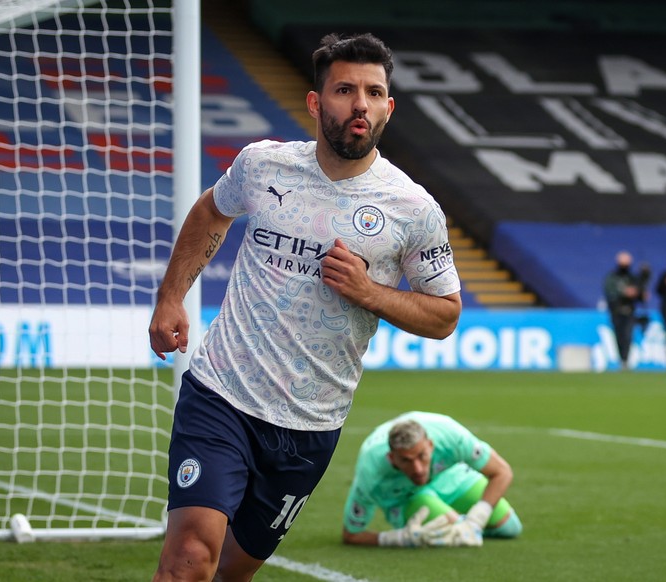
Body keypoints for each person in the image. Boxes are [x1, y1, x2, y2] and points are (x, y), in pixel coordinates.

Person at [148, 33, 462, 581]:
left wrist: (370, 293)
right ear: (317, 103)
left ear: (389, 106)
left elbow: (445, 315)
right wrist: (172, 295)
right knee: (190, 558)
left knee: (233, 571)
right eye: (344, 89)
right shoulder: (262, 165)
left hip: (309, 426)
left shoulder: (414, 209)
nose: (359, 103)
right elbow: (210, 213)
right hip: (222, 393)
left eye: (373, 91)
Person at [342, 411, 522, 548]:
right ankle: (455, 520)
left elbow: (502, 472)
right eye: (406, 460)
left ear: (431, 445)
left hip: (450, 476)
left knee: (510, 527)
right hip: (405, 497)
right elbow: (351, 535)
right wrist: (397, 538)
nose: (418, 469)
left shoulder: (451, 436)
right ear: (392, 458)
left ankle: (464, 521)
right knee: (454, 531)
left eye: (422, 456)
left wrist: (476, 520)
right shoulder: (371, 469)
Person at [602, 251, 649, 369]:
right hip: (616, 311)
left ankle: (625, 360)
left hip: (629, 310)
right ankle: (622, 359)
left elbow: (639, 293)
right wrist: (624, 293)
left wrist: (640, 294)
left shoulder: (632, 278)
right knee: (619, 336)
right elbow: (609, 291)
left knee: (628, 335)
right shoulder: (613, 277)